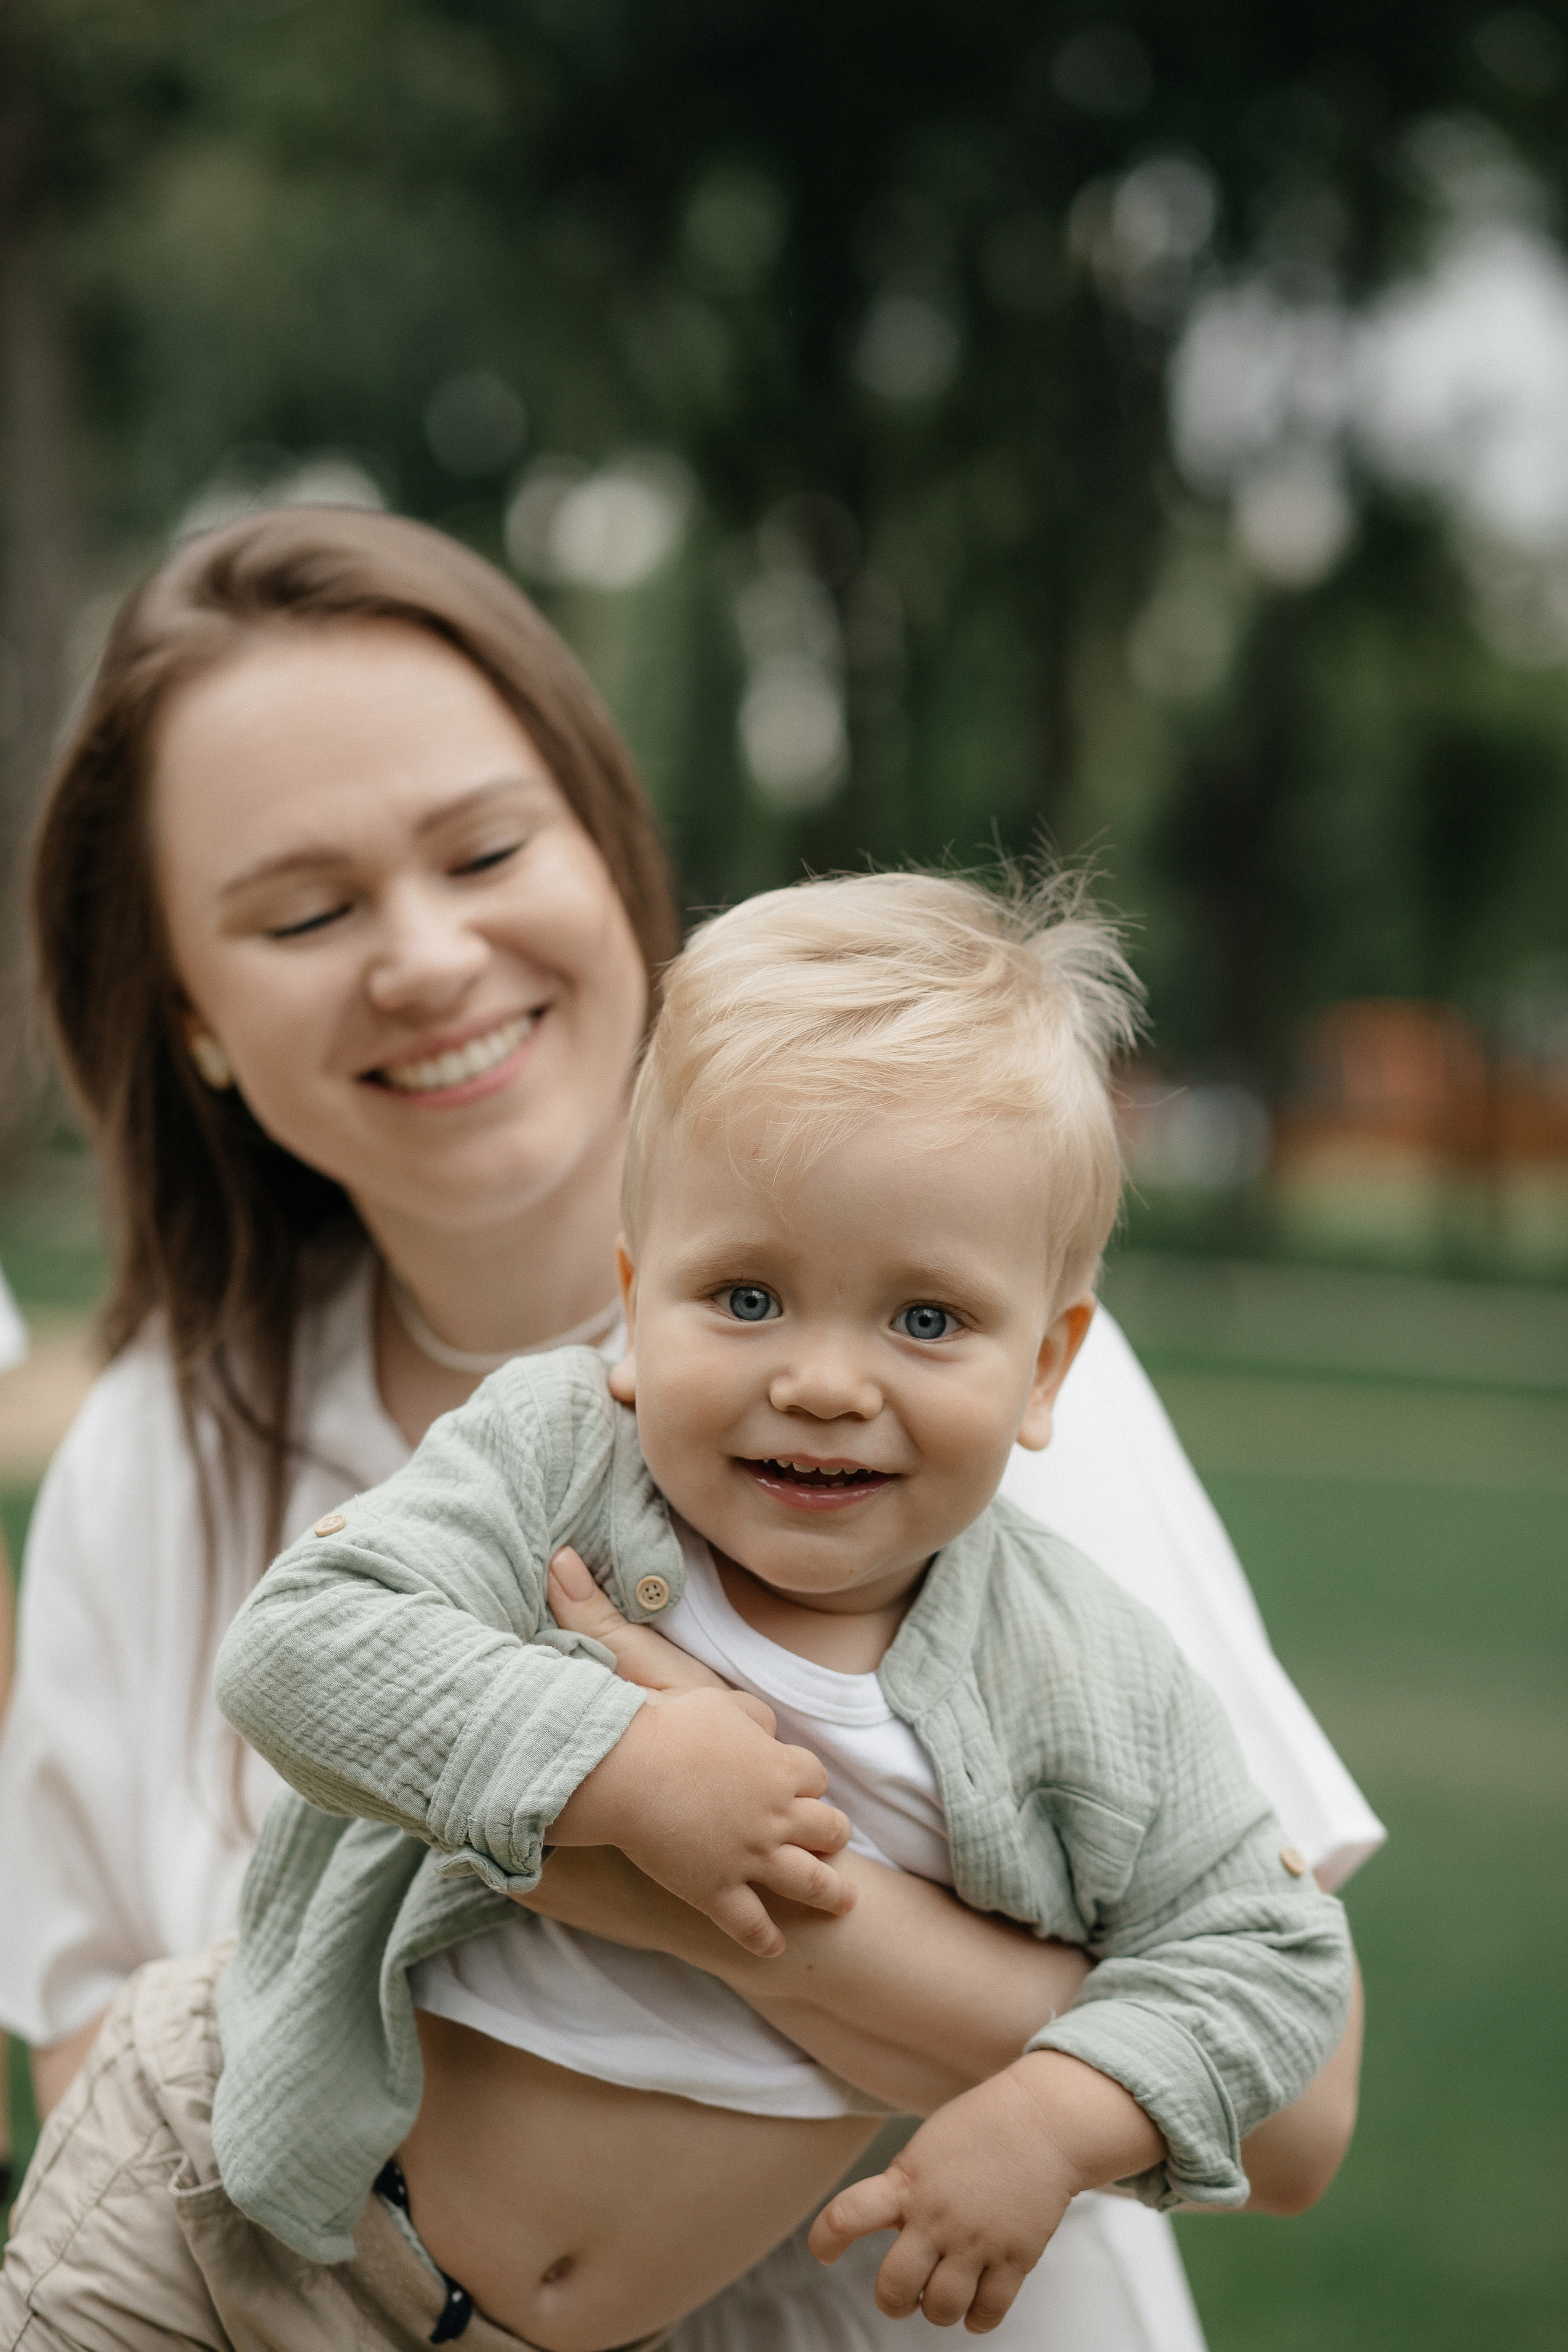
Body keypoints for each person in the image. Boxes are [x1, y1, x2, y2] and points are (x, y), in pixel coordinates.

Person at [0, 507, 1378, 2351]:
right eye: (307, 910)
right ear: (196, 1016)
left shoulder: (951, 1417)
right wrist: (606, 1793)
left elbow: (1297, 2115)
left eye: (486, 847)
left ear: (608, 853)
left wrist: (705, 1892)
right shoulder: (162, 1458)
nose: (424, 955)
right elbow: (98, 2054)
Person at [202, 871, 1354, 2350]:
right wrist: (620, 1763)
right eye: (744, 1297)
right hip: (244, 2225)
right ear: (633, 1303)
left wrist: (1065, 2113)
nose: (820, 1380)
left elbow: (1270, 1960)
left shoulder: (1081, 1674)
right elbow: (300, 1644)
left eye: (924, 1318)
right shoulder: (560, 1461)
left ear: (1049, 1367)